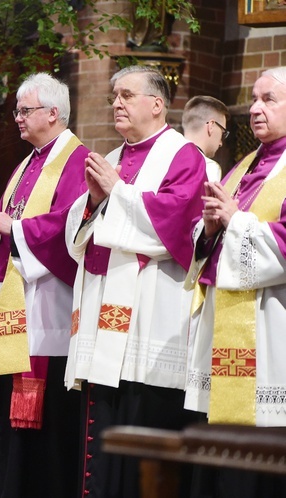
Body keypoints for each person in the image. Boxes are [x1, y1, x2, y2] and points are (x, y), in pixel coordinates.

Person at [63, 65, 207, 498]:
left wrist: (117, 192)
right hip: (105, 316)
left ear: (157, 104)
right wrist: (92, 200)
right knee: (103, 426)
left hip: (151, 317)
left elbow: (178, 223)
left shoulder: (183, 155)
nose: (117, 104)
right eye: (114, 97)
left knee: (139, 423)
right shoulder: (111, 158)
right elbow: (77, 227)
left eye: (126, 95)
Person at [0, 73, 88, 498]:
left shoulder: (76, 161)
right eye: (17, 111)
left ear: (53, 113)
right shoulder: (29, 163)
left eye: (25, 110)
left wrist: (16, 228)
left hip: (49, 310)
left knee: (47, 427)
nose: (17, 118)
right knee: (9, 415)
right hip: (17, 303)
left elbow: (72, 226)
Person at [185, 67, 286, 498]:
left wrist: (234, 220)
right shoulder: (243, 166)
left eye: (269, 99)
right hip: (223, 322)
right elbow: (205, 239)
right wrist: (208, 229)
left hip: (270, 326)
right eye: (254, 98)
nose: (256, 108)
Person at [182, 95, 231, 181]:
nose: (221, 143)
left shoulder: (161, 153)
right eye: (223, 133)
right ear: (211, 126)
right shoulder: (209, 167)